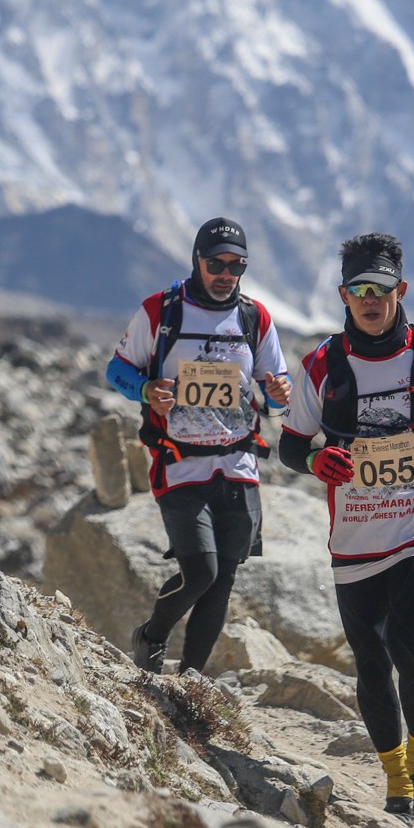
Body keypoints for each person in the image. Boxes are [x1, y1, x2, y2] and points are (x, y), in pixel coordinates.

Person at [278, 232, 414, 817]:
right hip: (356, 535)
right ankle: (394, 778)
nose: (370, 299)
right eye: (359, 289)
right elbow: (290, 446)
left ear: (401, 289)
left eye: (381, 288)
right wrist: (317, 460)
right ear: (343, 294)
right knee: (369, 659)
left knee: (409, 645)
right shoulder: (323, 364)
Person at [105, 217, 292, 674]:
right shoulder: (160, 311)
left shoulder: (255, 316)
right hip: (179, 464)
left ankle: (189, 679)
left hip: (238, 465)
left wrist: (277, 394)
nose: (226, 272)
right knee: (201, 573)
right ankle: (150, 636)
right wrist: (147, 390)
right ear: (197, 261)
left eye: (237, 264)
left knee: (223, 580)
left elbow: (274, 387)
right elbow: (117, 370)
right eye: (216, 263)